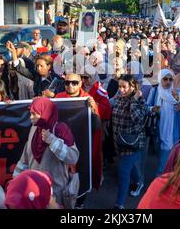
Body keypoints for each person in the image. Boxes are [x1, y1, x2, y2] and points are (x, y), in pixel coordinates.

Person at [13, 97, 79, 208]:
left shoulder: (60, 130)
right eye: (30, 113)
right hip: (34, 192)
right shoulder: (34, 130)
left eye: (34, 114)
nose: (31, 118)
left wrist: (53, 141)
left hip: (55, 194)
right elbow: (25, 159)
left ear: (45, 113)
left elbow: (73, 157)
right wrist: (17, 182)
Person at [55, 73, 102, 208]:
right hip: (63, 144)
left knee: (82, 174)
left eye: (74, 83)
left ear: (80, 84)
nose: (70, 85)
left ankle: (80, 202)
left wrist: (93, 111)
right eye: (67, 82)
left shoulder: (88, 100)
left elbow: (97, 127)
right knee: (62, 175)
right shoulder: (59, 98)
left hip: (82, 145)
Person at [111, 75, 148, 209]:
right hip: (119, 141)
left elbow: (137, 118)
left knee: (123, 171)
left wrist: (134, 100)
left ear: (132, 87)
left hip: (132, 143)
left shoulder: (139, 101)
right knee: (129, 166)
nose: (121, 90)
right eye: (119, 86)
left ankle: (119, 204)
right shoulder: (119, 98)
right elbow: (109, 104)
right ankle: (138, 182)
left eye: (124, 87)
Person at [147, 69, 180, 176]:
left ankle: (162, 185)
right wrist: (153, 109)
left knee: (166, 164)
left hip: (173, 134)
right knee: (164, 160)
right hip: (158, 133)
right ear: (160, 79)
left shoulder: (176, 92)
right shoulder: (155, 92)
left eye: (170, 79)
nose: (168, 82)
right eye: (165, 79)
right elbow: (146, 107)